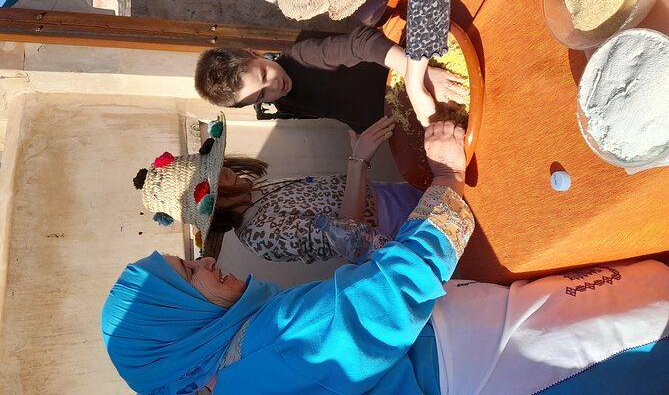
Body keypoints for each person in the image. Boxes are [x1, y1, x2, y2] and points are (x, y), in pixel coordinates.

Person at [102, 121, 669, 395]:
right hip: (475, 356)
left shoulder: (234, 373)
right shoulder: (261, 346)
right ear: (173, 326)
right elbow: (378, 296)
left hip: (456, 332)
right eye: (188, 276)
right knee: (636, 327)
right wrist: (444, 180)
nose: (203, 264)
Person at [133, 113, 423, 263]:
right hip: (399, 231)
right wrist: (357, 161)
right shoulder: (261, 236)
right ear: (212, 209)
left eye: (214, 164)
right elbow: (350, 239)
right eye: (212, 182)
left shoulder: (255, 190)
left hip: (395, 195)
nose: (222, 171)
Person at [194, 26, 467, 134]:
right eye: (262, 96)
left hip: (417, 73)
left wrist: (417, 76)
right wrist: (357, 132)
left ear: (255, 54)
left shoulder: (303, 56)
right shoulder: (287, 104)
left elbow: (362, 42)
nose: (274, 88)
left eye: (264, 75)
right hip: (406, 117)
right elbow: (338, 108)